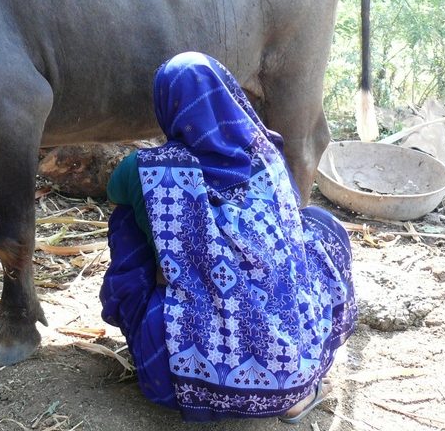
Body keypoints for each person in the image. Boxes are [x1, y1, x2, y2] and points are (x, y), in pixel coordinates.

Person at [100, 52, 356, 424]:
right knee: (317, 223)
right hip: (294, 374)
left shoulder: (148, 170)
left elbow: (113, 192)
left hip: (175, 380)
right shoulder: (267, 154)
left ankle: (160, 339)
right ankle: (297, 394)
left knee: (127, 218)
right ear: (227, 95)